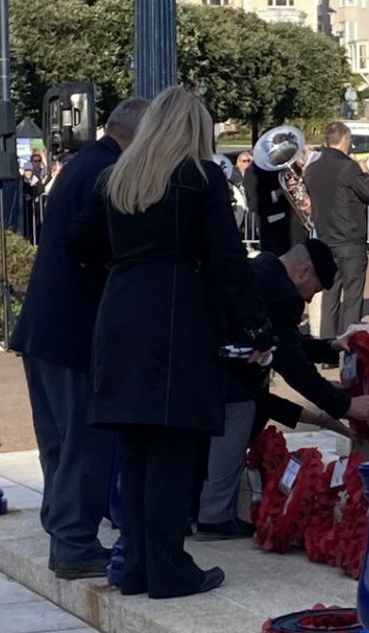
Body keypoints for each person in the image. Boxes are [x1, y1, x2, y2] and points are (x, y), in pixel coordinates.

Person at [84, 85, 273, 599]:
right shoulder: (198, 177)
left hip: (122, 309)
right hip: (176, 313)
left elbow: (87, 245)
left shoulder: (117, 178)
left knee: (138, 448)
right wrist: (257, 327)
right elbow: (227, 261)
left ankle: (140, 564)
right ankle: (168, 567)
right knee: (172, 448)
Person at [10, 97, 151, 580]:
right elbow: (89, 243)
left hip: (46, 327)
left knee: (59, 441)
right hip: (75, 330)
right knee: (85, 442)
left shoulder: (83, 164)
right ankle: (72, 541)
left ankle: (64, 534)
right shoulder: (106, 172)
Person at [196, 239, 369, 540]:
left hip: (205, 369)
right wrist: (344, 405)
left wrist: (329, 347)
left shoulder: (264, 270)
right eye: (315, 291)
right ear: (304, 272)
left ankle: (200, 508)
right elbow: (291, 364)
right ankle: (214, 517)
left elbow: (283, 343)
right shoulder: (284, 295)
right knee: (242, 409)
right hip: (224, 381)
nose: (308, 301)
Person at [304, 122, 369, 338]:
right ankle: (349, 345)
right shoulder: (348, 167)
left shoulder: (312, 168)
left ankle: (328, 346)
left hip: (326, 238)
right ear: (345, 140)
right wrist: (365, 174)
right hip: (350, 238)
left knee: (330, 294)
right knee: (353, 296)